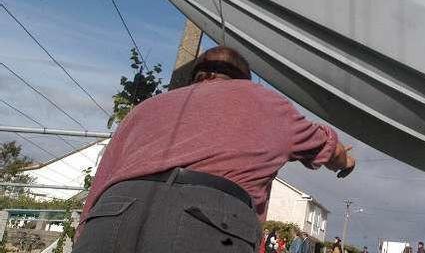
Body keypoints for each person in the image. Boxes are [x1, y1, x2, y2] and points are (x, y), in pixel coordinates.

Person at [72, 46, 356, 252]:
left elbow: (102, 181)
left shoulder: (146, 109)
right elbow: (326, 146)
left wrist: (86, 232)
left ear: (196, 77)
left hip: (113, 213)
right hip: (209, 219)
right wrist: (346, 162)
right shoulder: (265, 103)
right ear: (244, 81)